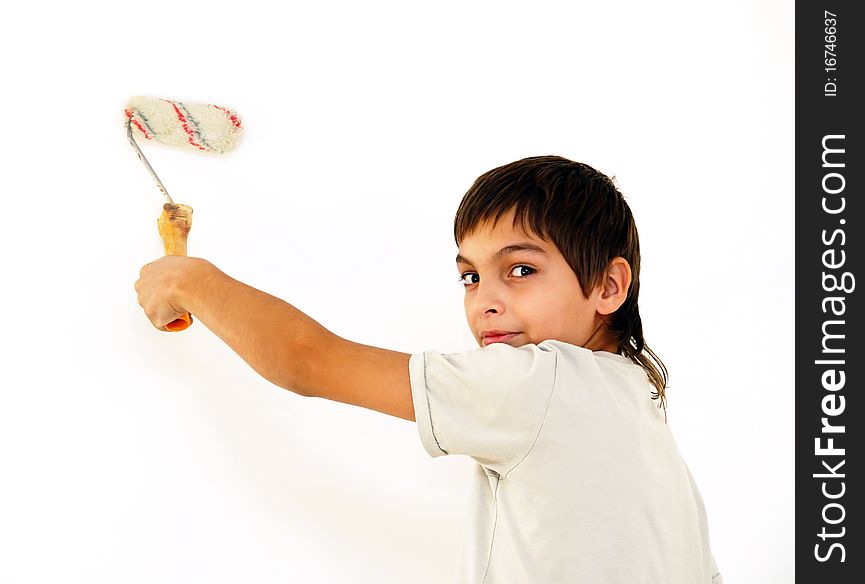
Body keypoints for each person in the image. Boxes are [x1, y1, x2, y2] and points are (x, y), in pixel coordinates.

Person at [135, 155, 722, 583]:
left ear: (608, 285)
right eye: (470, 276)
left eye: (519, 270)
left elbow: (306, 359)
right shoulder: (639, 410)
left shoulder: (539, 383)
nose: (483, 300)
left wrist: (190, 281)